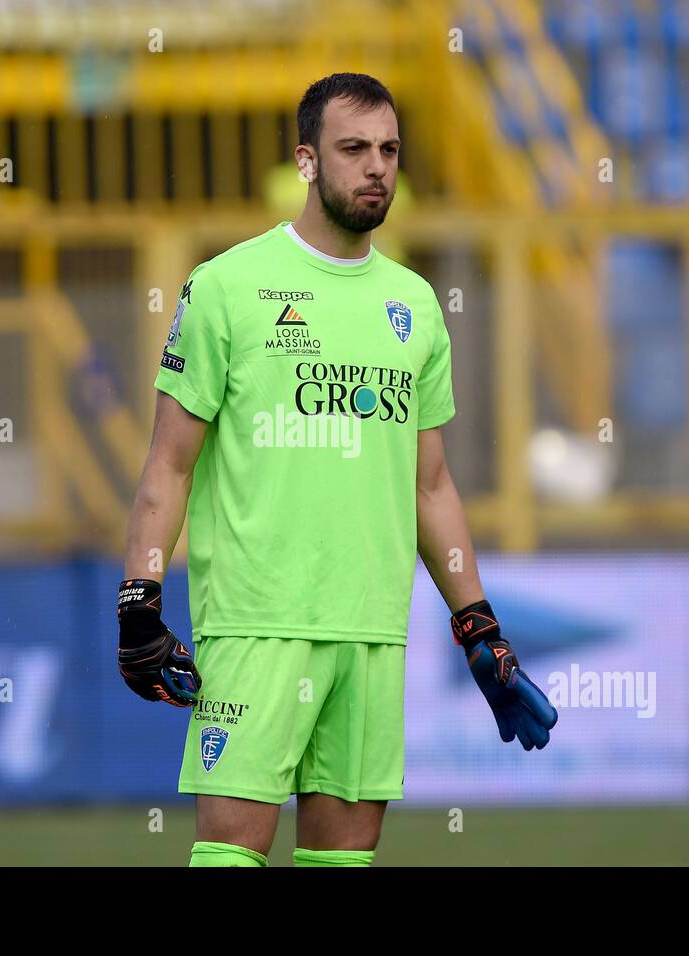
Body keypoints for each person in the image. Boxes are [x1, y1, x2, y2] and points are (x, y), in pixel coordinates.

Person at [117, 72, 557, 868]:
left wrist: (477, 624)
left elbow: (430, 486)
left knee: (344, 862)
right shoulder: (225, 287)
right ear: (308, 161)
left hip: (370, 630)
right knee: (230, 853)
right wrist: (139, 603)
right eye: (354, 148)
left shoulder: (416, 306)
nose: (376, 166)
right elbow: (168, 467)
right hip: (255, 625)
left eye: (389, 149)